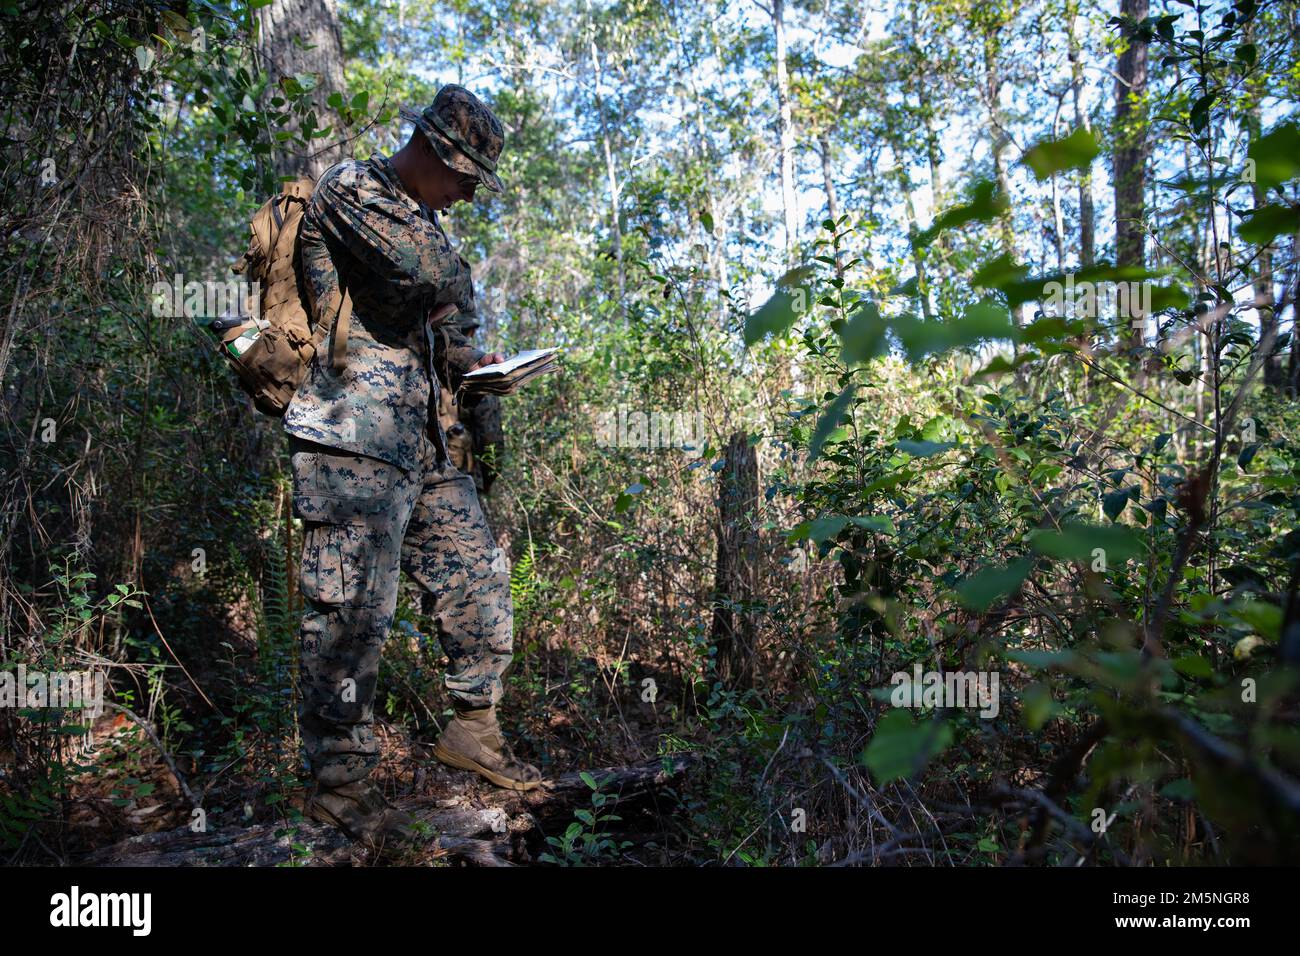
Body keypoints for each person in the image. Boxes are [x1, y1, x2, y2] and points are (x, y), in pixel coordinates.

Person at [283, 84, 541, 847]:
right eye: (465, 175)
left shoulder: (424, 217)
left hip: (426, 439)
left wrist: (480, 366)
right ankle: (338, 793)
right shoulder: (354, 191)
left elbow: (452, 318)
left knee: (479, 581)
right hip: (352, 434)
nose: (468, 192)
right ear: (434, 150)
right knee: (350, 614)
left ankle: (475, 733)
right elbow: (432, 273)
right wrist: (444, 297)